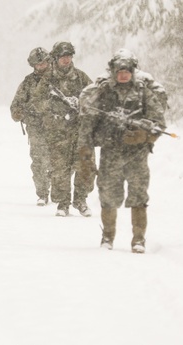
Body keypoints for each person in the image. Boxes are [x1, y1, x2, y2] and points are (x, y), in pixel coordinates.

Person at [77, 50, 167, 253]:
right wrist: (85, 154)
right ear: (113, 72)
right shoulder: (103, 93)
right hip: (111, 153)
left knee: (139, 196)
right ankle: (107, 237)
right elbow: (88, 125)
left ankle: (138, 239)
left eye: (127, 71)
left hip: (137, 155)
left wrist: (142, 136)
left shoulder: (144, 93)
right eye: (120, 71)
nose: (124, 75)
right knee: (108, 196)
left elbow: (159, 124)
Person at [31, 41, 95, 217]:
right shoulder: (48, 80)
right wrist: (55, 107)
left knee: (86, 166)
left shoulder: (81, 77)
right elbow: (37, 102)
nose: (66, 60)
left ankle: (80, 200)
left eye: (69, 56)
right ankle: (63, 203)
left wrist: (79, 104)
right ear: (56, 59)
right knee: (60, 169)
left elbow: (94, 100)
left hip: (80, 130)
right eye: (62, 57)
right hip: (57, 131)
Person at [10, 47, 52, 206]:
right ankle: (42, 192)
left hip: (58, 127)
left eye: (43, 63)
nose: (41, 67)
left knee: (59, 161)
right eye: (38, 64)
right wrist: (18, 112)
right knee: (39, 161)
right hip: (36, 127)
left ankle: (57, 189)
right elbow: (16, 104)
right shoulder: (28, 82)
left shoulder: (58, 79)